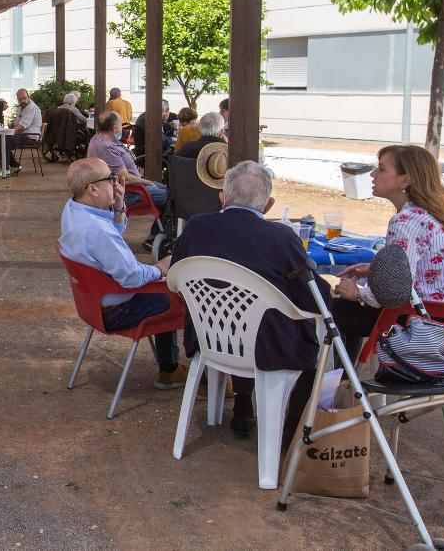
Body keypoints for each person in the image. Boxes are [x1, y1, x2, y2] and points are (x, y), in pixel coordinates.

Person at [172, 161, 331, 441]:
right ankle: (291, 429)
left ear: (222, 197)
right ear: (268, 205)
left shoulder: (196, 227)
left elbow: (177, 281)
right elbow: (313, 298)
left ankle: (243, 405)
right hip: (266, 348)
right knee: (315, 331)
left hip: (210, 337)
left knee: (249, 315)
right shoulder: (281, 237)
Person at [331, 145, 444, 358]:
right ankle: (349, 378)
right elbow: (421, 268)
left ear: (405, 180)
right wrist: (376, 270)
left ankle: (342, 382)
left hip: (433, 326)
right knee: (348, 308)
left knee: (336, 308)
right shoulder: (438, 214)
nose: (373, 174)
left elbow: (387, 295)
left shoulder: (406, 221)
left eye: (382, 169)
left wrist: (357, 293)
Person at [58, 159, 184, 388]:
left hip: (93, 304)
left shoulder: (72, 209)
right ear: (93, 189)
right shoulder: (97, 230)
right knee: (184, 295)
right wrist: (162, 267)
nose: (116, 183)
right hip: (117, 310)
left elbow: (111, 236)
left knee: (164, 283)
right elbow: (133, 277)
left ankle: (171, 368)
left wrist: (117, 207)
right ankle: (176, 372)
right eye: (110, 179)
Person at [88, 112, 168, 223]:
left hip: (133, 187)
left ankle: (158, 235)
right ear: (115, 127)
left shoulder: (99, 139)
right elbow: (125, 179)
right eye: (121, 125)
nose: (122, 128)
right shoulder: (106, 147)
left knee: (170, 191)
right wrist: (147, 182)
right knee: (173, 197)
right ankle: (159, 235)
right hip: (130, 192)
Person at [0, 88, 41, 177]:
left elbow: (22, 127)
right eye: (20, 99)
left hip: (31, 137)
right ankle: (15, 166)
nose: (22, 100)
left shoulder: (31, 108)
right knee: (0, 143)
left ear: (28, 97)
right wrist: (10, 126)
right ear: (17, 99)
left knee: (5, 140)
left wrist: (10, 132)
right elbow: (17, 124)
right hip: (24, 135)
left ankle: (4, 170)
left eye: (24, 98)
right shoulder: (23, 107)